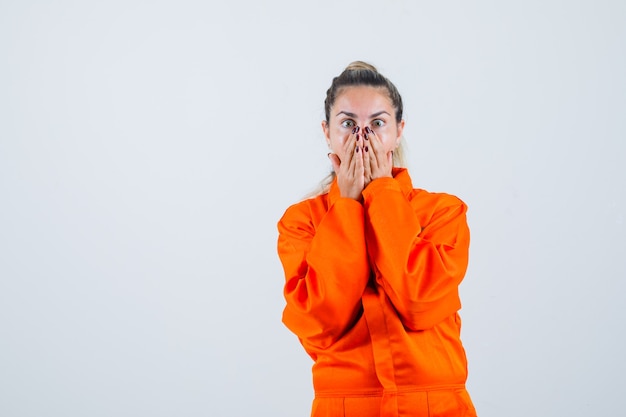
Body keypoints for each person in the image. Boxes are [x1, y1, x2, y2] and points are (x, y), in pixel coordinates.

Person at [276, 61, 477, 417]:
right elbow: (322, 323)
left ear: (399, 131)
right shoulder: (302, 221)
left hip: (437, 407)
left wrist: (383, 194)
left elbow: (419, 300)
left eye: (377, 124)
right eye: (349, 124)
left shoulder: (442, 212)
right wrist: (348, 207)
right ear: (327, 132)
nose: (362, 138)